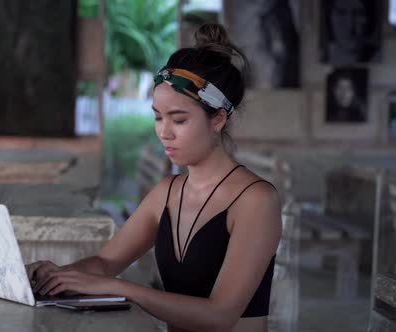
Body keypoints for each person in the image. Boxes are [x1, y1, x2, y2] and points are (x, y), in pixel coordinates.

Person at [27, 23, 281, 332]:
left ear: (218, 118)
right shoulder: (167, 192)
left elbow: (220, 315)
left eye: (179, 119)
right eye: (158, 117)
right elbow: (106, 264)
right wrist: (56, 276)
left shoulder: (255, 200)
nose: (164, 131)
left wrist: (120, 288)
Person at [321, 0, 380, 64]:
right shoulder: (321, 56)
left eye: (358, 14)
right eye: (341, 13)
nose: (350, 25)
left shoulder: (378, 56)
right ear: (329, 17)